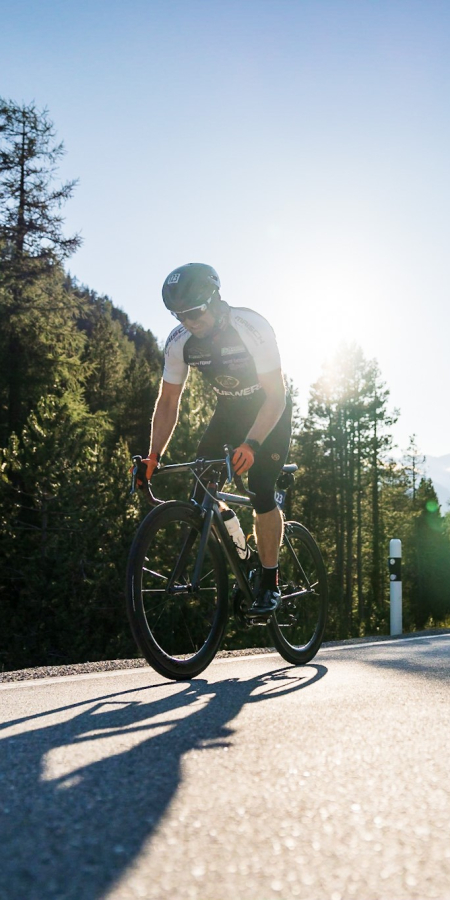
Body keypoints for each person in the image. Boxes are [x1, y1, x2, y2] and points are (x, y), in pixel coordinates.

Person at [142, 263, 292, 615]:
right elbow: (167, 402)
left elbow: (276, 396)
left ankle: (270, 582)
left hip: (269, 411)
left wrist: (252, 444)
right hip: (229, 413)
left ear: (215, 299)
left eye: (194, 312)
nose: (188, 321)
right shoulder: (180, 342)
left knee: (260, 490)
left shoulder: (251, 327)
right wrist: (153, 456)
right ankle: (241, 549)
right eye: (179, 314)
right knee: (201, 490)